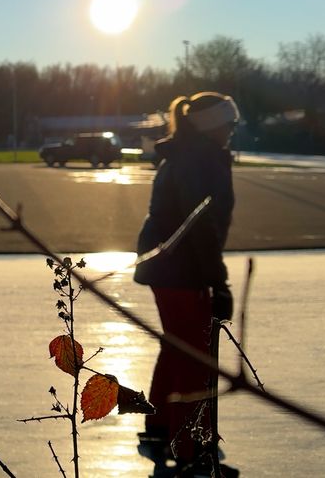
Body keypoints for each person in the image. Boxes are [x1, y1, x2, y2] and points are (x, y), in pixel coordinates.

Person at [134, 92, 239, 477]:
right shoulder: (200, 159)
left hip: (170, 267)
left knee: (178, 347)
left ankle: (161, 431)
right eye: (229, 123)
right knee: (195, 356)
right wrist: (218, 282)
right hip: (181, 268)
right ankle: (191, 449)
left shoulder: (189, 154)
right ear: (212, 125)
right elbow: (201, 226)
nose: (232, 130)